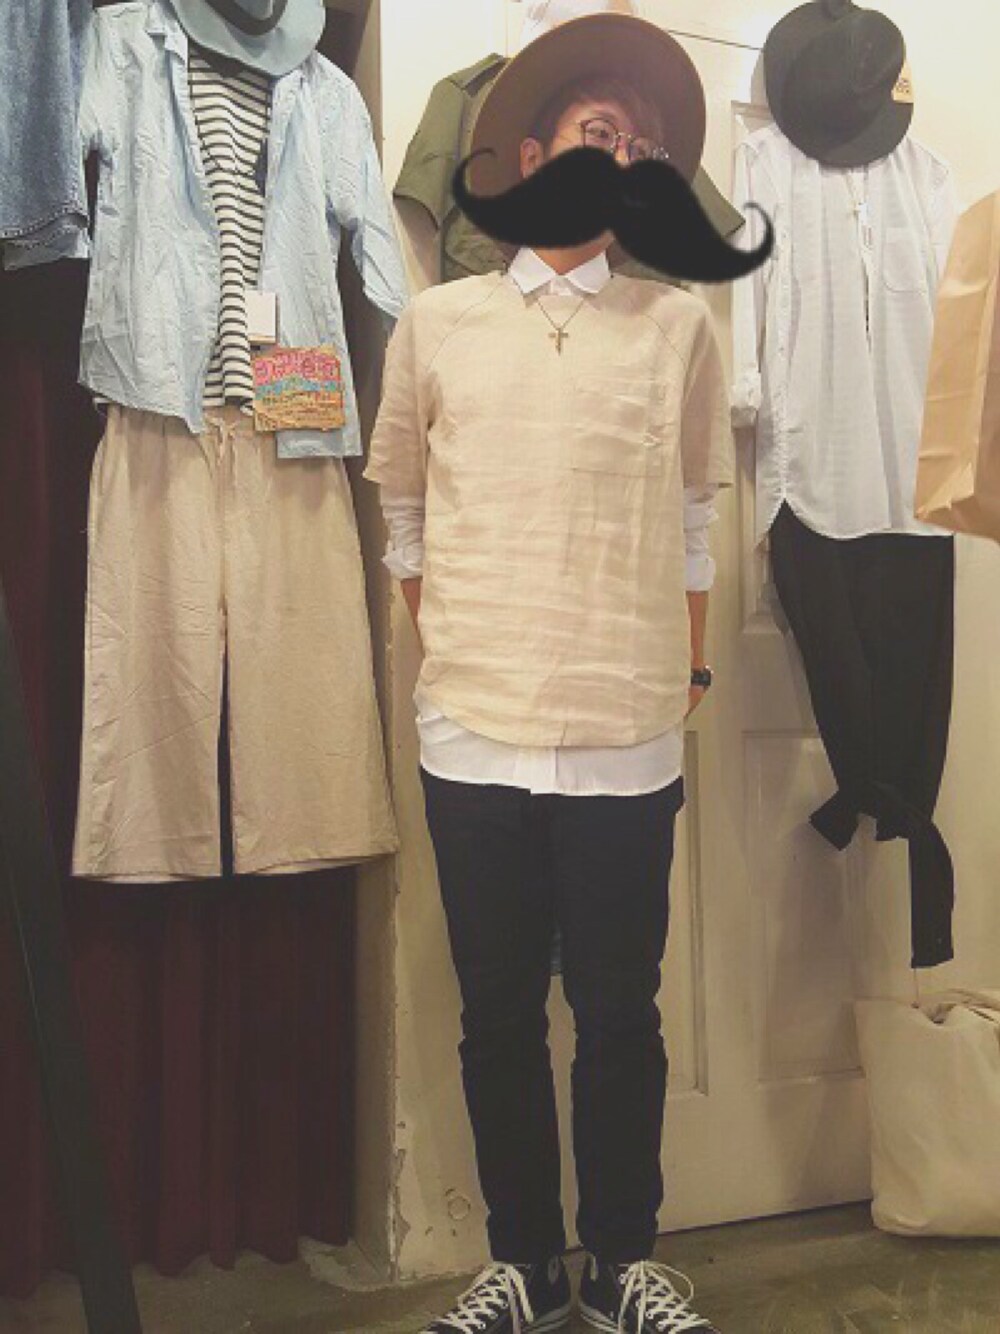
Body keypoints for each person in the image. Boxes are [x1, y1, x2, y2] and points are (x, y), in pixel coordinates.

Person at [365, 14, 732, 1333]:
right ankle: (523, 1266)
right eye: (599, 134)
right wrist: (459, 645)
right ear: (530, 158)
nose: (621, 162)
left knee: (624, 1013)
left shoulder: (677, 327)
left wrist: (687, 670)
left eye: (642, 151)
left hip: (629, 729)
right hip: (474, 732)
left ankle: (624, 1263)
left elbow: (694, 519)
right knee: (499, 1014)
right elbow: (404, 513)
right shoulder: (439, 324)